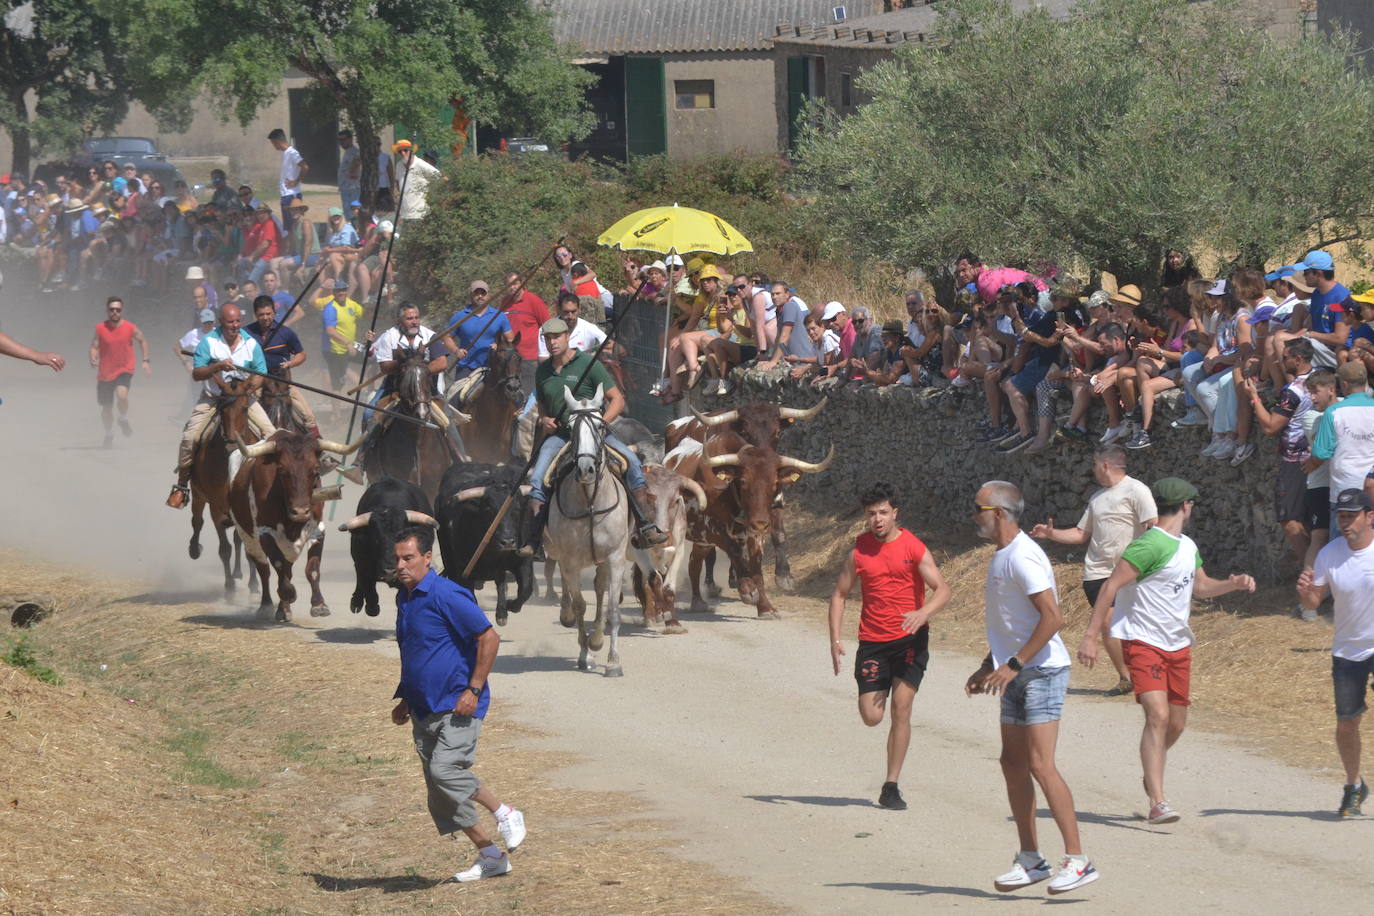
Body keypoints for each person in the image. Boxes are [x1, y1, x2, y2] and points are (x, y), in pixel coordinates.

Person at [1077, 478, 1255, 825]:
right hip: (1143, 642)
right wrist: (1090, 636)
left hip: (1178, 644)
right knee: (1157, 715)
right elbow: (1110, 587)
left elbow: (1201, 588)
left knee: (1176, 723)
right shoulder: (1147, 546)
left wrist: (1231, 584)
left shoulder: (1187, 546)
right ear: (1187, 506)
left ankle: (1151, 766)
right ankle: (1158, 801)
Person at [966, 481, 1097, 896]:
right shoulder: (1001, 556)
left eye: (978, 508)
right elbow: (1011, 622)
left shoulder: (1024, 557)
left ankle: (1078, 860)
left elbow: (1053, 619)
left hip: (1041, 672)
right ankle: (1030, 859)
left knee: (1041, 765)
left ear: (1000, 513)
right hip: (1017, 671)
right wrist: (990, 664)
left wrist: (1016, 664)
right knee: (1012, 763)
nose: (975, 516)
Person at [389, 524, 526, 882]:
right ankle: (490, 855)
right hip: (423, 706)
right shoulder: (404, 597)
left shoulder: (446, 595)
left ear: (428, 558)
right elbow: (415, 648)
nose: (401, 566)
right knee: (441, 794)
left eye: (409, 558)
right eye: (397, 559)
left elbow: (489, 638)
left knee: (445, 772)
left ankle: (505, 811)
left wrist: (474, 689)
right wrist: (406, 694)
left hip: (459, 704)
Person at [828, 482, 951, 810]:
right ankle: (889, 776)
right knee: (871, 716)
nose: (877, 519)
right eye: (871, 514)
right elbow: (839, 594)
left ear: (895, 513)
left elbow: (942, 589)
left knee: (901, 707)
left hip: (911, 639)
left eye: (883, 512)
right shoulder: (859, 551)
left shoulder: (913, 547)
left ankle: (891, 785)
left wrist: (923, 612)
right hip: (873, 643)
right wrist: (835, 640)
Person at [522, 318, 667, 556]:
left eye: (557, 336)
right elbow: (542, 405)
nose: (552, 342)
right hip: (561, 436)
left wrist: (600, 423)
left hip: (595, 433)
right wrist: (544, 419)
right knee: (537, 478)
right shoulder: (544, 371)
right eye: (547, 338)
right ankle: (534, 539)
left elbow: (618, 400)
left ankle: (646, 525)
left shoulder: (589, 364)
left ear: (567, 336)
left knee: (631, 463)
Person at [1031, 446, 1157, 696]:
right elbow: (1081, 534)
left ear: (1106, 465)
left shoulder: (1137, 490)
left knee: (1134, 626)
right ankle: (1126, 678)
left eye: (1094, 465)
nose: (1092, 470)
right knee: (1108, 623)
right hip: (1097, 573)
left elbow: (1153, 527)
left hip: (1130, 572)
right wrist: (1051, 533)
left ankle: (1146, 674)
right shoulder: (1097, 497)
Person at [1297, 488, 1374, 817]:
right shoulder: (1329, 554)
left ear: (1369, 516)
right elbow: (1314, 603)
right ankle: (1353, 785)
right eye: (1341, 516)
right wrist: (1305, 594)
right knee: (1346, 723)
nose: (1345, 523)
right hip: (1347, 650)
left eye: (1351, 516)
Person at [166, 303, 277, 508]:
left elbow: (261, 373)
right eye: (230, 322)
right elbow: (197, 373)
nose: (234, 326)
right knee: (190, 437)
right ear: (221, 322)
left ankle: (276, 483)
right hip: (213, 398)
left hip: (243, 399)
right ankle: (182, 486)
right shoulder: (209, 342)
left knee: (271, 434)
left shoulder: (251, 343)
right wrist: (217, 365)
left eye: (237, 321)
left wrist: (250, 389)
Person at [1242, 338, 1316, 566]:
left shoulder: (1293, 391)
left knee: (1290, 520)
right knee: (1314, 522)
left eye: (1284, 358)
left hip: (1295, 461)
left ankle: (1308, 575)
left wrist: (1254, 397)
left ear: (1298, 359)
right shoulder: (1322, 377)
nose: (1279, 361)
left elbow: (1271, 427)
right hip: (1318, 457)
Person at [1308, 361, 1374, 537]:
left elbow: (1321, 452)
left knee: (1341, 545)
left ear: (1344, 384)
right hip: (1371, 487)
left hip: (1344, 488)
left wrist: (1312, 462)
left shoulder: (1334, 412)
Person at [244, 295, 316, 434]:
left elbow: (302, 354)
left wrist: (290, 363)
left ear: (274, 313)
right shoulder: (246, 333)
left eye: (268, 314)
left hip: (283, 384)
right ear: (255, 315)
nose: (265, 317)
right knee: (240, 412)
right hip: (256, 384)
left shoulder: (286, 333)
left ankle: (318, 449)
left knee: (309, 417)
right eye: (261, 314)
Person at [88, 296, 151, 447]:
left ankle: (122, 417)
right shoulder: (100, 328)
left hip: (125, 369)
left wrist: (145, 361)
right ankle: (109, 434)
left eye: (118, 310)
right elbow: (94, 346)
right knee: (107, 409)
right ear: (107, 311)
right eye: (112, 310)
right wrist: (93, 357)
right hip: (105, 373)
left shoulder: (130, 327)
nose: (115, 312)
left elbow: (142, 340)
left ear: (122, 311)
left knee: (122, 395)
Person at [445, 280, 515, 384]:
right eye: (476, 293)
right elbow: (446, 337)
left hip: (493, 367)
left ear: (489, 295)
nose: (480, 296)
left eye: (483, 293)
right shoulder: (460, 317)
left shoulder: (499, 316)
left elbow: (511, 339)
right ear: (471, 295)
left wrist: (499, 345)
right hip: (466, 367)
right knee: (455, 398)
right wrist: (456, 351)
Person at [498, 270, 549, 394]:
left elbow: (547, 326)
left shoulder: (533, 300)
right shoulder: (504, 303)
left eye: (515, 283)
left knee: (529, 395)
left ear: (522, 283)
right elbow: (500, 327)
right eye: (509, 285)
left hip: (529, 358)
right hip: (509, 359)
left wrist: (547, 352)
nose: (513, 287)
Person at [313, 279, 365, 390]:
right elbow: (312, 301)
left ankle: (366, 391)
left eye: (343, 290)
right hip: (331, 347)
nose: (341, 292)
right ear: (333, 291)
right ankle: (330, 399)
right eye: (338, 290)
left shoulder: (350, 303)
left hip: (348, 344)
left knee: (372, 356)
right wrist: (322, 286)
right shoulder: (328, 302)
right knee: (330, 371)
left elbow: (362, 313)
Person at [175, 307, 217, 415]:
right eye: (205, 322)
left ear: (214, 321)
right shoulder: (194, 333)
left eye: (210, 322)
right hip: (198, 373)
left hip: (215, 374)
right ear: (201, 322)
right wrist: (186, 363)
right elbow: (177, 347)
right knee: (198, 402)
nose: (208, 325)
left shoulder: (219, 333)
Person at [268, 128, 307, 233]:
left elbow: (305, 167)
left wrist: (296, 181)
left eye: (273, 143)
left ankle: (294, 249)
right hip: (286, 195)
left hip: (291, 195)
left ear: (277, 141)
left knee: (293, 227)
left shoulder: (292, 153)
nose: (273, 146)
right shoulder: (286, 153)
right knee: (288, 227)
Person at [393, 139, 441, 222]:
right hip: (404, 214)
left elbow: (439, 177)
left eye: (405, 150)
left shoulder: (420, 164)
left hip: (420, 215)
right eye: (400, 151)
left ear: (411, 151)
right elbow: (398, 184)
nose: (403, 153)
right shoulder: (399, 165)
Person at [337, 128, 362, 213]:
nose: (341, 142)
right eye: (339, 140)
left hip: (352, 189)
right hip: (347, 188)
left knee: (353, 214)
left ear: (350, 139)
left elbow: (357, 163)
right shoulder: (348, 152)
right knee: (349, 214)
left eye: (343, 139)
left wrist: (351, 174)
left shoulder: (354, 152)